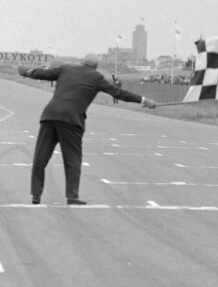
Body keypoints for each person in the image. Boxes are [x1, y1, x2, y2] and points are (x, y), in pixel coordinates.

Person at [18, 59, 157, 205]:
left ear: (82, 63)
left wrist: (24, 70)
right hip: (71, 120)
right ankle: (72, 196)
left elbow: (40, 73)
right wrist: (143, 100)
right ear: (95, 67)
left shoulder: (66, 69)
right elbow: (118, 93)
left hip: (50, 115)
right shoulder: (96, 77)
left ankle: (36, 194)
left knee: (41, 156)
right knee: (72, 159)